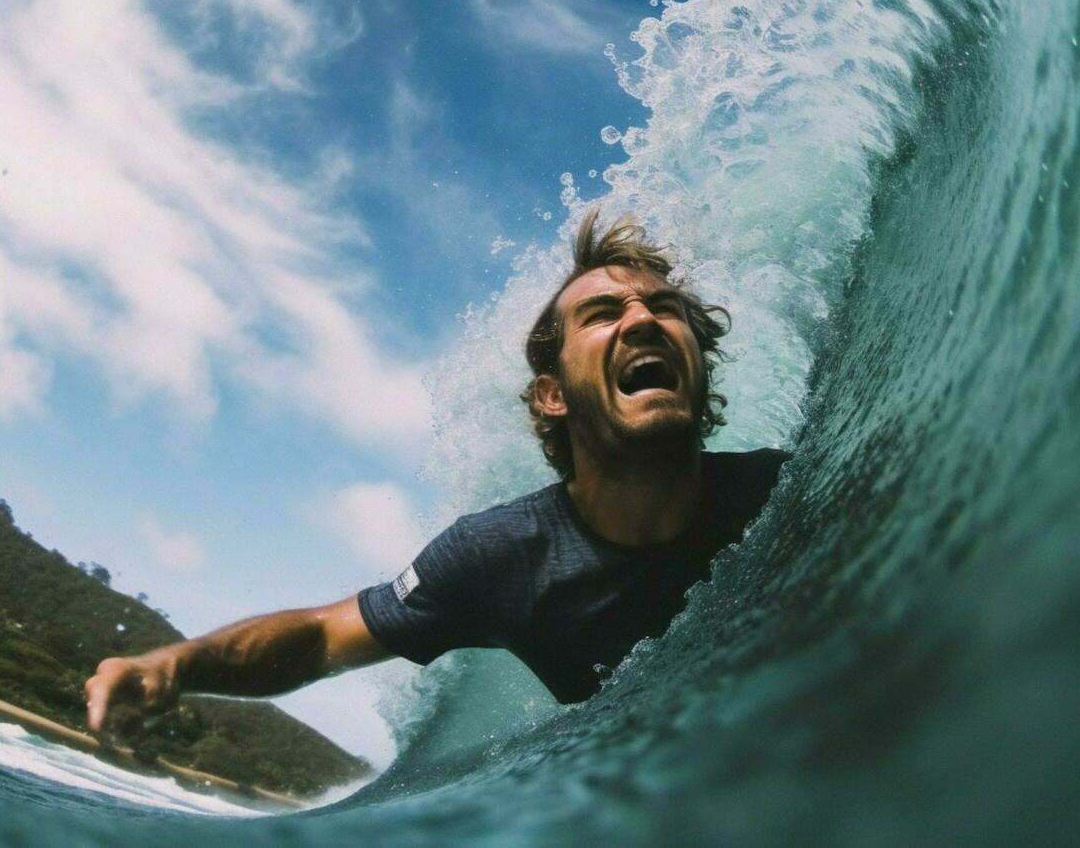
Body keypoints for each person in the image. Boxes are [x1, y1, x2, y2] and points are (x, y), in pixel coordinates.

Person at [85, 209, 788, 730]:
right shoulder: (502, 557)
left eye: (666, 310)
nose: (643, 319)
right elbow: (326, 636)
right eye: (604, 313)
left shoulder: (783, 491)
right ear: (552, 394)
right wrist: (176, 665)